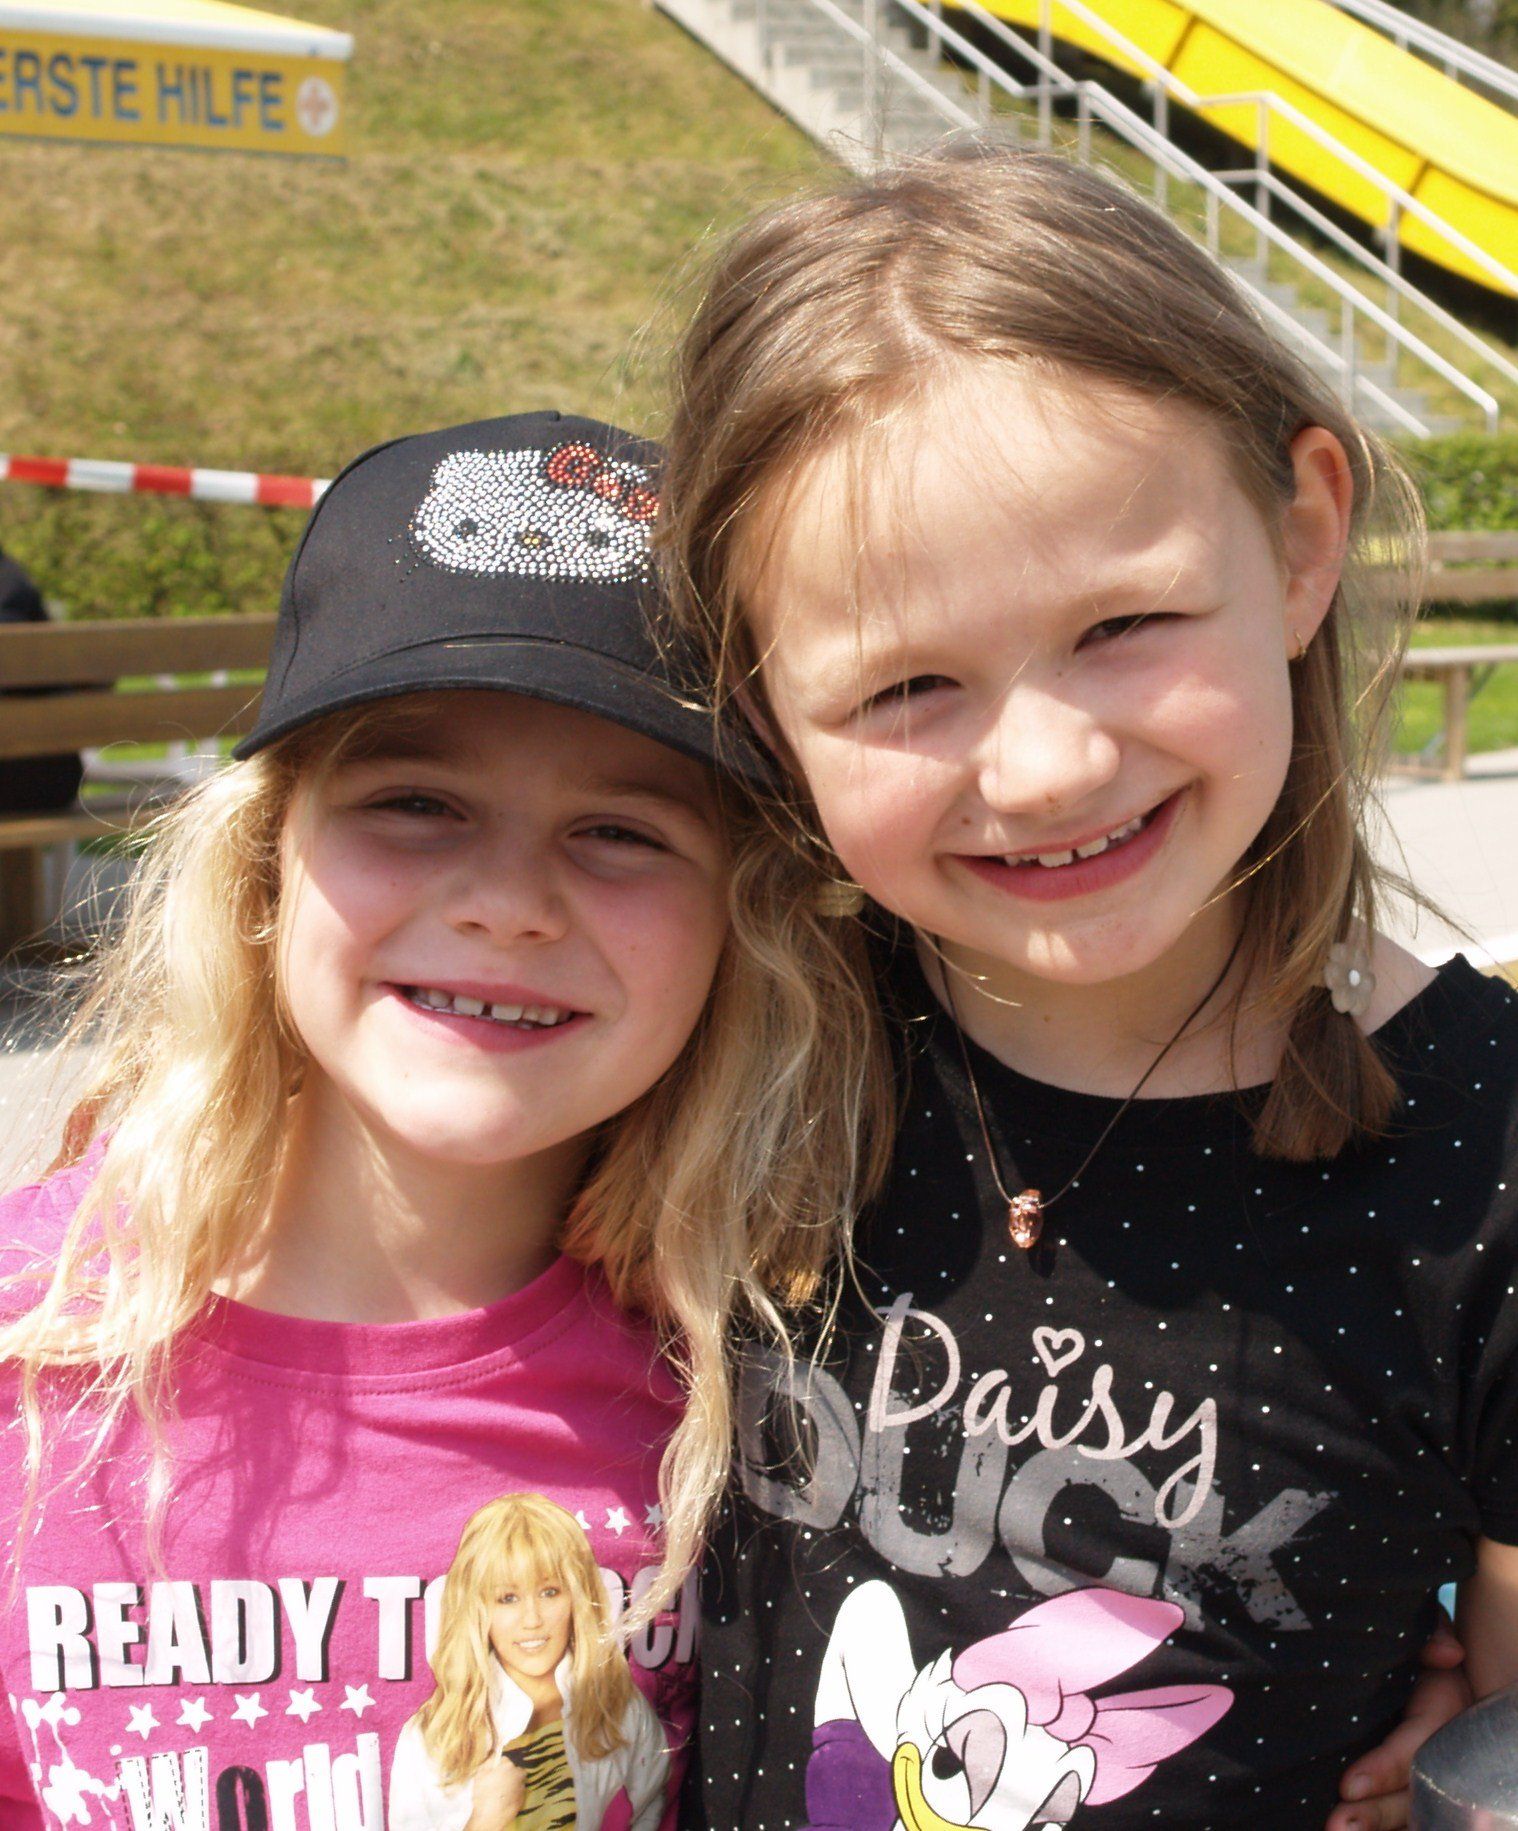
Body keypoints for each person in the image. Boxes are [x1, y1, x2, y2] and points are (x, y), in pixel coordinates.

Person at [657, 147, 1518, 1829]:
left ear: (1299, 540)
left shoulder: (1488, 1159)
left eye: (1122, 624)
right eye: (908, 684)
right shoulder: (723, 1045)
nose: (1045, 767)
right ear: (760, 705)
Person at [0, 414, 888, 1831]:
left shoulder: (773, 1389)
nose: (508, 903)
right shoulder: (34, 1345)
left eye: (621, 831)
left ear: (742, 918)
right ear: (264, 863)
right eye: (414, 802)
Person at [389, 1493, 667, 1830]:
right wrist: (484, 1821)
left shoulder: (617, 1706)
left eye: (550, 1592)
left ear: (577, 1597)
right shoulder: (433, 1734)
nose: (532, 1619)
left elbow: (656, 1804)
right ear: (477, 1608)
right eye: (508, 1598)